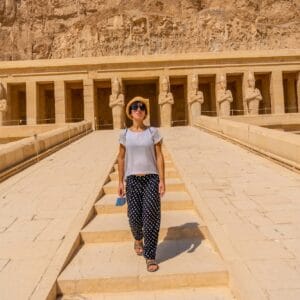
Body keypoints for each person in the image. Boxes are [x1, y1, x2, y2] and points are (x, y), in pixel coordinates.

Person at [117, 98, 165, 272]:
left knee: (151, 216)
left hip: (151, 178)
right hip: (132, 179)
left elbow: (159, 156)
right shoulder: (125, 134)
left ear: (145, 112)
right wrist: (120, 181)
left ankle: (150, 256)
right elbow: (121, 158)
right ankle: (138, 238)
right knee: (134, 216)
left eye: (142, 107)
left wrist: (162, 180)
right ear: (130, 113)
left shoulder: (153, 132)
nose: (139, 109)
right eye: (135, 108)